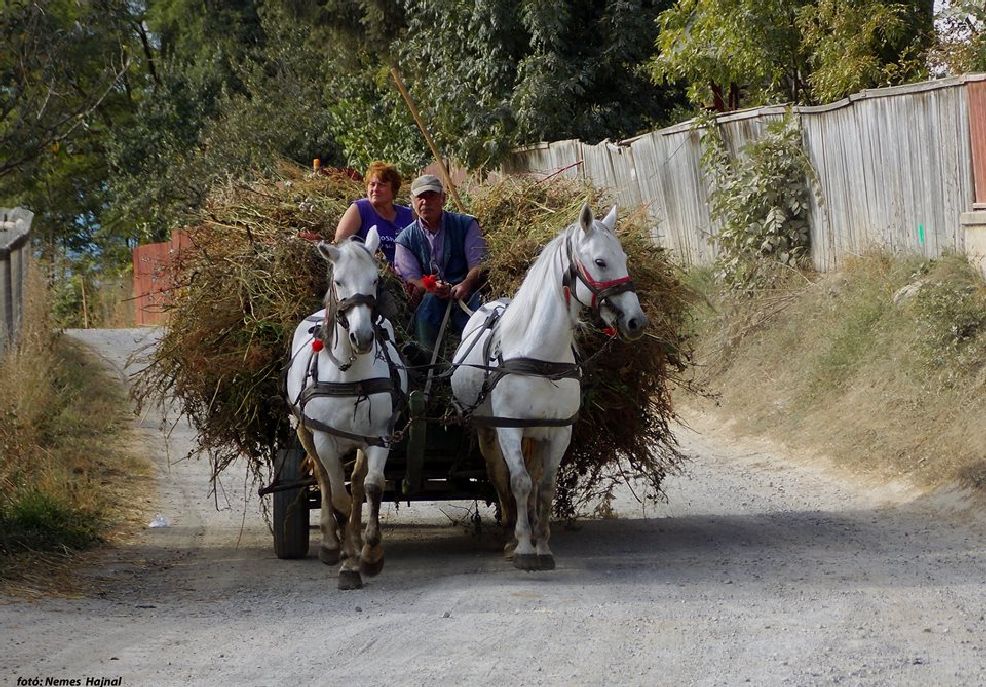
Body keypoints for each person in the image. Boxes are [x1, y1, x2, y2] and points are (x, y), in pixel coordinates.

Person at [394, 174, 487, 353]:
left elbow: (479, 263)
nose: (425, 202)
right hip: (430, 298)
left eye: (431, 196)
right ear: (412, 201)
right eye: (420, 197)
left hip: (466, 292)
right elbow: (412, 279)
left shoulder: (466, 224)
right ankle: (426, 361)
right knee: (426, 311)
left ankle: (479, 353)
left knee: (482, 318)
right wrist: (431, 286)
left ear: (443, 199)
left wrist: (466, 284)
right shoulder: (404, 240)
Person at [334, 161, 413, 265]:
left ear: (393, 190)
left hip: (407, 275)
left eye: (381, 185)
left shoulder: (408, 215)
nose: (375, 189)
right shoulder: (359, 209)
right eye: (372, 184)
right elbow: (340, 244)